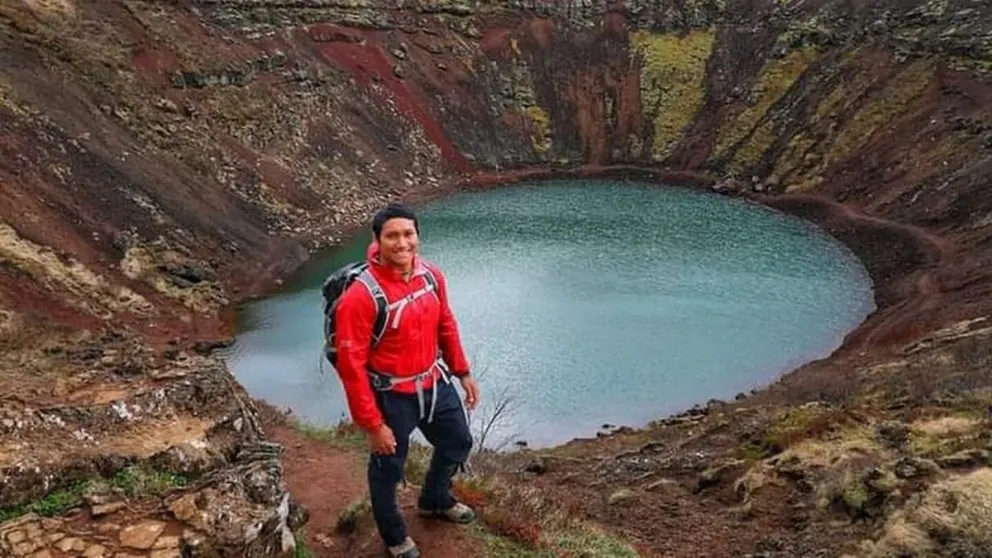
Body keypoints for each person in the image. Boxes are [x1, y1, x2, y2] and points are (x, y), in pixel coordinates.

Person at [333, 202, 481, 558]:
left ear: (418, 236)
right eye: (393, 236)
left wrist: (462, 372)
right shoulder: (361, 296)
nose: (402, 243)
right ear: (378, 240)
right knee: (388, 468)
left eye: (408, 234)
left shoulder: (430, 275)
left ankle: (434, 499)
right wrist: (372, 424)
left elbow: (445, 323)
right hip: (390, 396)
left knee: (458, 440)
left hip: (434, 382)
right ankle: (395, 535)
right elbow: (351, 365)